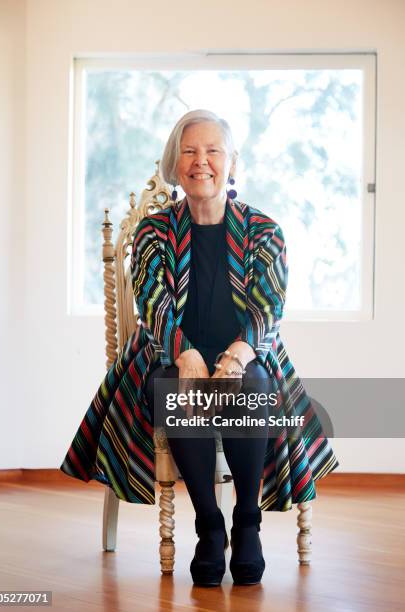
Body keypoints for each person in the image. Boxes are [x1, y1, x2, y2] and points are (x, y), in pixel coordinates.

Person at [60, 109, 340, 588]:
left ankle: (246, 524)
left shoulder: (263, 231)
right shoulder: (154, 233)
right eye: (189, 151)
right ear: (175, 162)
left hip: (245, 355)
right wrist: (186, 354)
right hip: (168, 356)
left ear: (232, 163)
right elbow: (153, 305)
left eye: (213, 151)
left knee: (249, 387)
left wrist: (234, 356)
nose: (201, 161)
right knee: (174, 386)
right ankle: (210, 527)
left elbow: (268, 309)